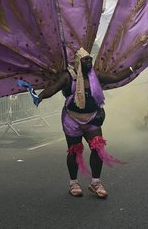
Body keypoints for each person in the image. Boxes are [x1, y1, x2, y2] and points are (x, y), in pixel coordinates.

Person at [26, 48, 134, 199]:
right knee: (74, 151)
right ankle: (73, 183)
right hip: (72, 119)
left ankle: (96, 183)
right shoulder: (68, 76)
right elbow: (54, 88)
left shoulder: (95, 75)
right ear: (78, 62)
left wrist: (132, 68)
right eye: (86, 60)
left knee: (97, 148)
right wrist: (40, 97)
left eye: (90, 59)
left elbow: (114, 78)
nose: (89, 62)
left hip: (92, 118)